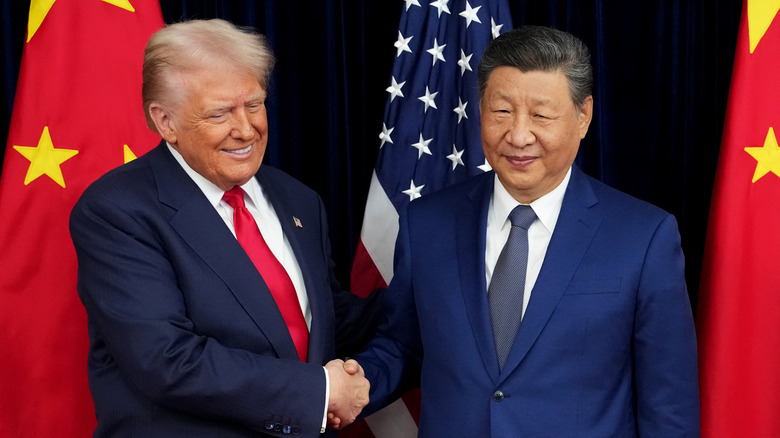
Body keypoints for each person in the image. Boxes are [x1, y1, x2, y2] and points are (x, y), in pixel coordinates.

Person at [350, 25, 699, 436]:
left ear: (582, 116)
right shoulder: (425, 223)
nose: (518, 135)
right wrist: (341, 388)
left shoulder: (644, 237)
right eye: (501, 111)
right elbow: (402, 346)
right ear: (481, 109)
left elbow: (669, 409)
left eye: (540, 115)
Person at [70, 19, 379, 437]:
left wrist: (430, 300)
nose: (246, 128)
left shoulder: (297, 199)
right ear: (165, 122)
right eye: (220, 113)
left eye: (254, 104)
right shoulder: (117, 211)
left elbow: (317, 319)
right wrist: (320, 391)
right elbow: (167, 361)